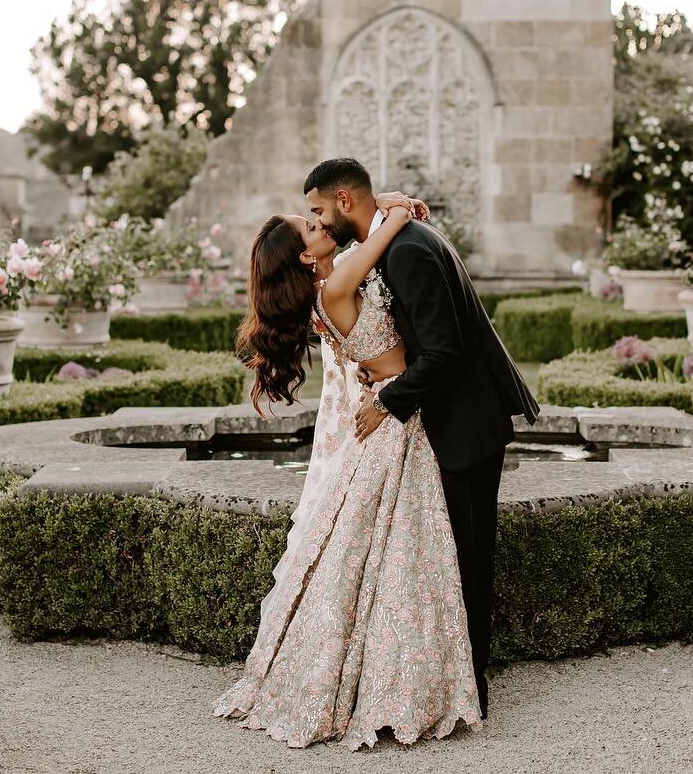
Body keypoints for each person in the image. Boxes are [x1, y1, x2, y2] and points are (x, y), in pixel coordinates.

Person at [214, 189, 482, 750]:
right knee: (403, 551)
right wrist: (395, 207)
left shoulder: (328, 287)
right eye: (309, 229)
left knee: (385, 554)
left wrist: (373, 201)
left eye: (315, 216)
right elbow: (387, 228)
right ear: (305, 259)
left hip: (388, 407)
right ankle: (397, 681)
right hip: (393, 417)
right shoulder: (334, 285)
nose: (319, 225)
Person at [303, 158, 540, 719]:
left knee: (467, 559)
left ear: (342, 200)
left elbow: (445, 352)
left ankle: (471, 690)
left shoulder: (407, 250)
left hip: (465, 424)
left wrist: (388, 398)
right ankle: (455, 681)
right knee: (454, 556)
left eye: (316, 211)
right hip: (449, 421)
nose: (315, 221)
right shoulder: (395, 240)